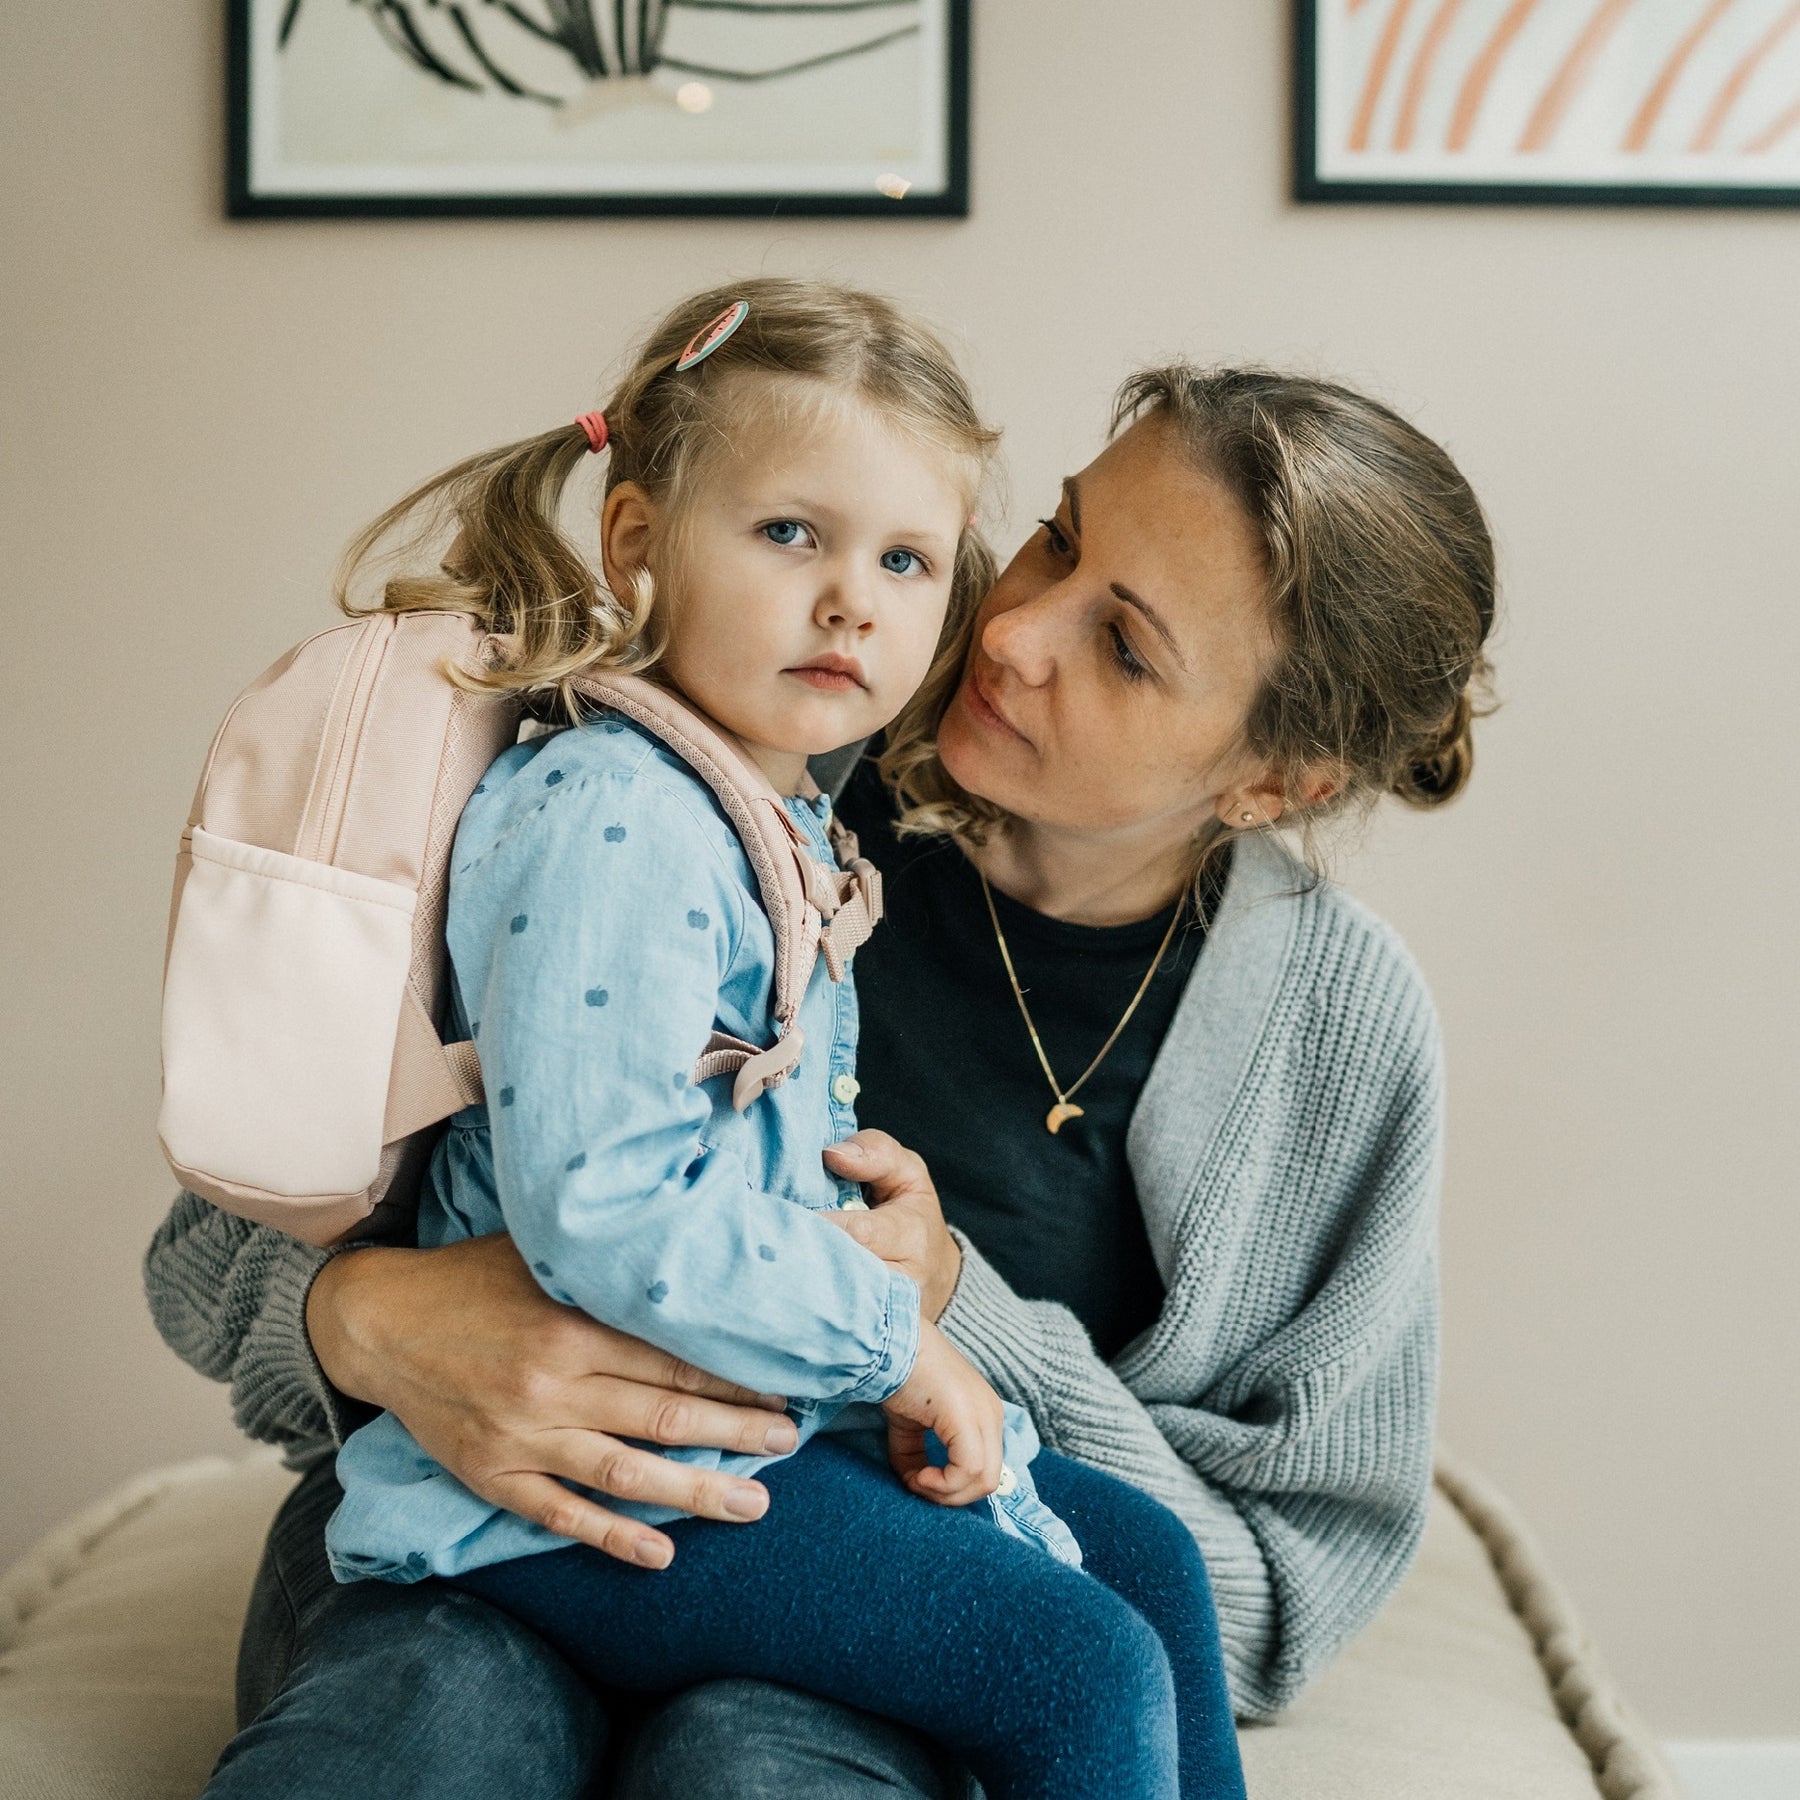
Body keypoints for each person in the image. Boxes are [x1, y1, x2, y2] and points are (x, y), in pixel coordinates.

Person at [145, 345, 1496, 1799]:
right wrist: (368, 1319)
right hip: (484, 1518)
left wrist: (948, 1315)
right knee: (428, 1730)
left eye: (1125, 646)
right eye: (1056, 534)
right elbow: (210, 1262)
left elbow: (1278, 1594)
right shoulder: (729, 756)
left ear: (1269, 782)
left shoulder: (1332, 1026)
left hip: (854, 1510)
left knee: (755, 1764)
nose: (1015, 625)